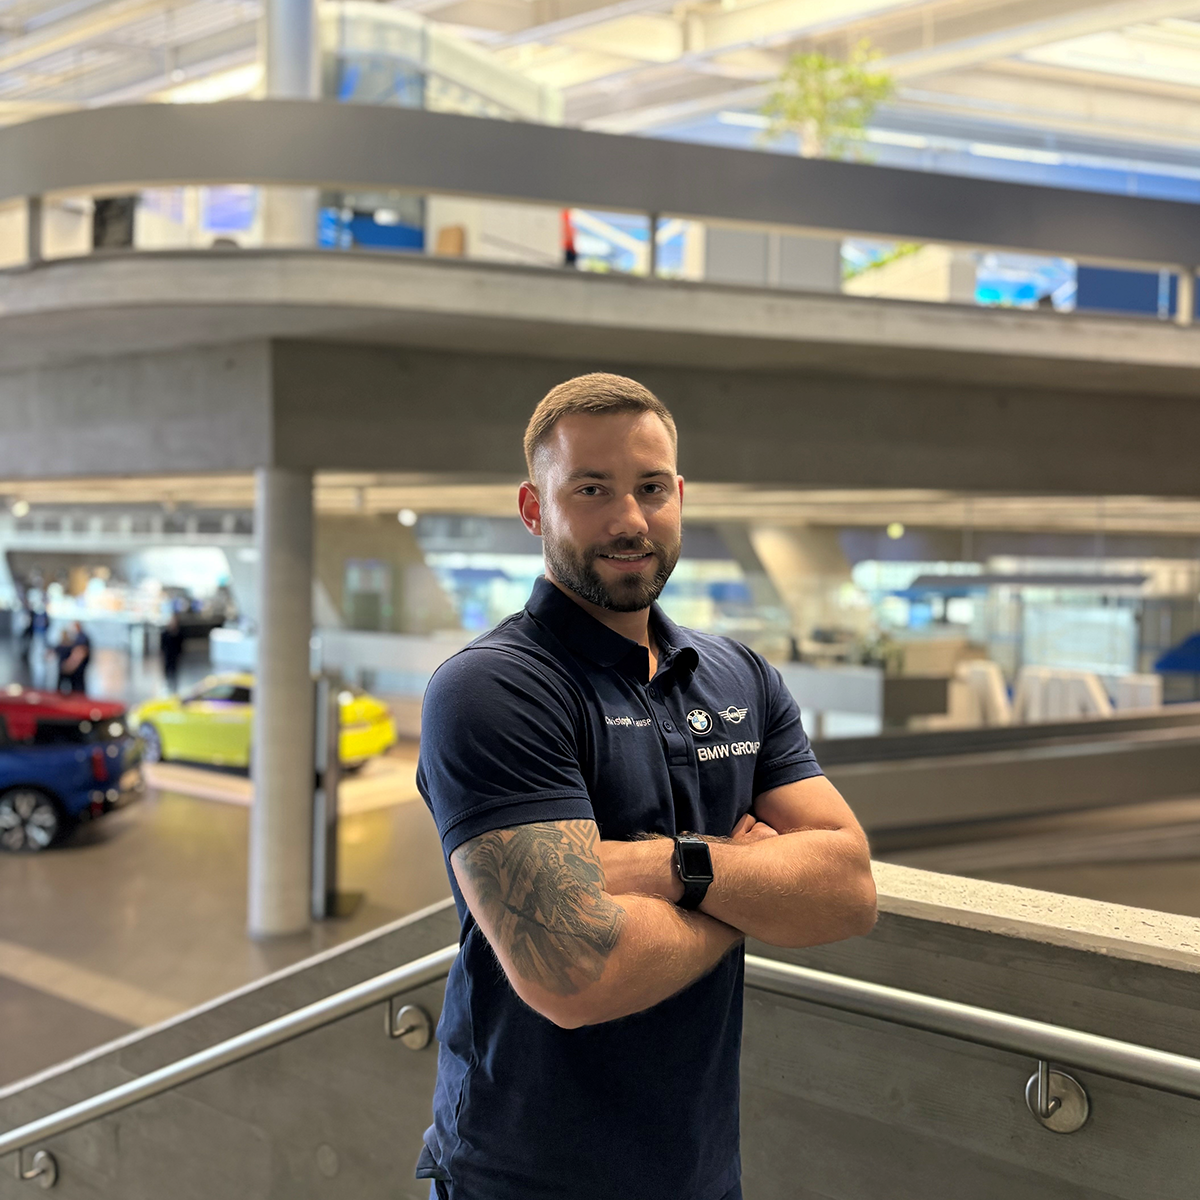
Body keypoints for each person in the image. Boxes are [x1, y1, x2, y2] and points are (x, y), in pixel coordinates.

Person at [416, 373, 876, 1200]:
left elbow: (848, 890)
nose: (629, 520)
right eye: (591, 489)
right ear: (534, 509)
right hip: (522, 1179)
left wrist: (673, 870)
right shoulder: (491, 689)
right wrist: (752, 895)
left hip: (697, 1170)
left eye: (650, 488)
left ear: (679, 495)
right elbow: (572, 974)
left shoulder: (739, 675)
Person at [160, 614, 184, 693]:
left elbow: (181, 645)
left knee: (174, 674)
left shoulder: (178, 633)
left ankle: (173, 689)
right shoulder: (165, 633)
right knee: (168, 672)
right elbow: (162, 646)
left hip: (175, 657)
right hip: (168, 656)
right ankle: (168, 686)